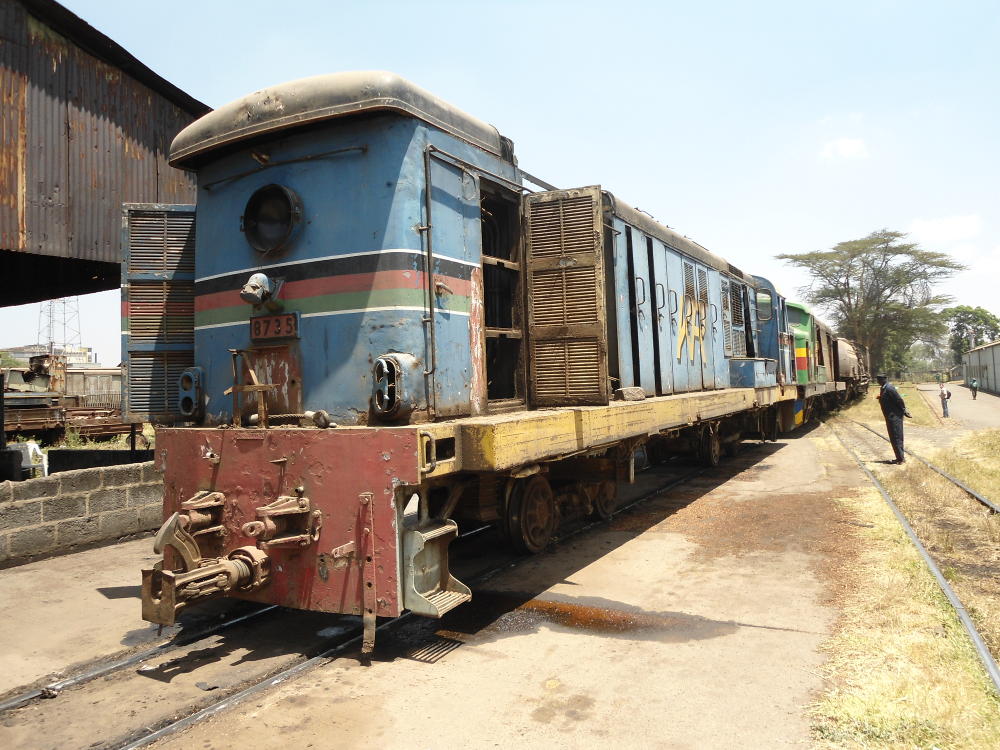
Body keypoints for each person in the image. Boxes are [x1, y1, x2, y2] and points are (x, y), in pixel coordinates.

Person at [876, 374, 911, 464]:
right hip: (889, 416)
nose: (877, 381)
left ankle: (901, 459)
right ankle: (898, 457)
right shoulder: (883, 388)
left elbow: (899, 400)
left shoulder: (889, 388)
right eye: (877, 379)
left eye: (879, 379)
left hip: (894, 417)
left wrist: (904, 410)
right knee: (893, 437)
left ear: (884, 379)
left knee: (897, 437)